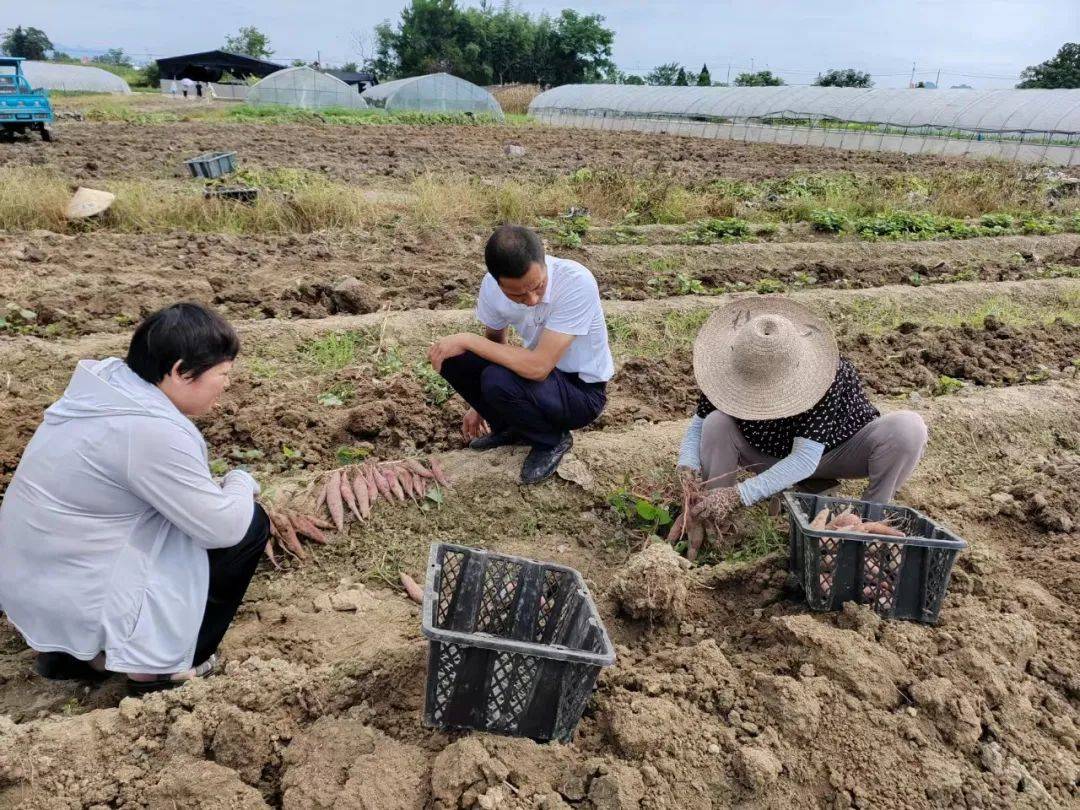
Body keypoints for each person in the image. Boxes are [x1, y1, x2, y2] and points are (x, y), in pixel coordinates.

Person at [0, 303, 267, 692]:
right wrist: (241, 481)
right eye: (223, 374)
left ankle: (74, 654)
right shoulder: (149, 431)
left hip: (32, 585)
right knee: (248, 525)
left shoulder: (105, 393)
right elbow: (222, 529)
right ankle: (160, 669)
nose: (227, 384)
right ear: (179, 371)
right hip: (74, 592)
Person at [675, 297, 927, 556]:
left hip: (836, 452)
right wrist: (688, 470)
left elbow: (805, 459)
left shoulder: (828, 373)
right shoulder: (730, 367)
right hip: (768, 452)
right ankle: (712, 520)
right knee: (717, 422)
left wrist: (739, 494)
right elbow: (699, 424)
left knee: (908, 428)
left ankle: (868, 523)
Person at [429, 225, 613, 484]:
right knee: (454, 358)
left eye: (538, 286)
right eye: (517, 294)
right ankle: (509, 428)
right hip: (542, 383)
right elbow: (494, 343)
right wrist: (479, 405)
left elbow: (539, 367)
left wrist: (467, 339)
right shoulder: (491, 288)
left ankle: (552, 441)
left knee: (497, 377)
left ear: (544, 262)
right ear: (497, 281)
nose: (532, 299)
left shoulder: (576, 282)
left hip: (581, 393)